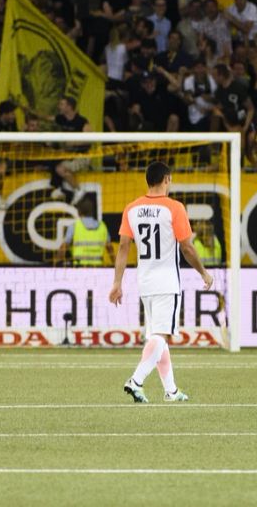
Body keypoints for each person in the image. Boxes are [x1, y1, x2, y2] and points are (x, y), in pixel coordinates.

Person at [110, 162, 213, 403]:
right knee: (161, 335)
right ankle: (136, 381)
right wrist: (203, 273)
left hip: (144, 281)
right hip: (167, 281)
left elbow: (124, 247)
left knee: (158, 336)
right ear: (166, 179)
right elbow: (187, 246)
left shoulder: (132, 208)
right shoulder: (174, 208)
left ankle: (171, 390)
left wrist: (117, 282)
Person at [60, 198, 114, 266]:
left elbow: (63, 247)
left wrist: (59, 263)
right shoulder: (102, 227)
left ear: (79, 212)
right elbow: (110, 248)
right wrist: (115, 263)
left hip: (79, 267)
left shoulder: (74, 226)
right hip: (98, 267)